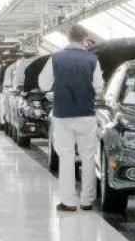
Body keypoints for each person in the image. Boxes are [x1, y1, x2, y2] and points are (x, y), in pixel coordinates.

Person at [39, 24, 104, 212]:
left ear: (68, 37)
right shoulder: (92, 59)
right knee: (88, 156)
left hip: (62, 114)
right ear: (84, 38)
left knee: (66, 156)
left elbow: (43, 84)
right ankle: (87, 200)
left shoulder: (56, 58)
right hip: (86, 114)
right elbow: (99, 87)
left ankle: (68, 202)